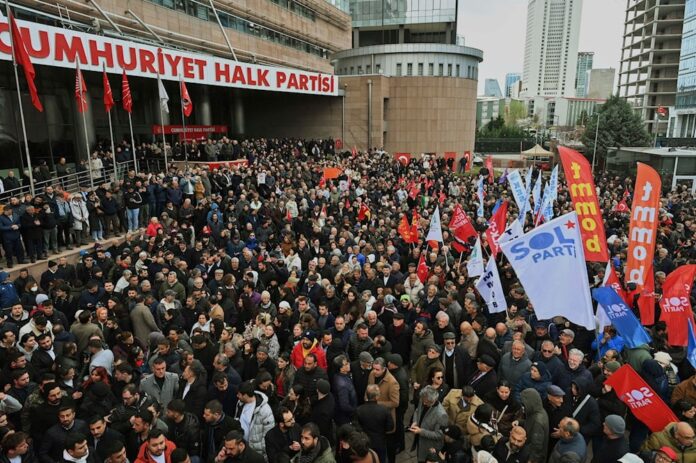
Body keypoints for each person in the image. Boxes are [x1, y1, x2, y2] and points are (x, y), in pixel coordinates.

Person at [234, 381, 275, 460]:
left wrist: (262, 450)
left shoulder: (265, 410)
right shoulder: (240, 403)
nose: (237, 396)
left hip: (255, 451)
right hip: (241, 446)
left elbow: (269, 433)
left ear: (245, 395)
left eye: (239, 394)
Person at [409, 385, 449, 463]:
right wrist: (415, 421)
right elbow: (417, 411)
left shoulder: (441, 415)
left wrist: (421, 431)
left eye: (427, 402)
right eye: (423, 400)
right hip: (420, 442)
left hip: (429, 448)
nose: (424, 403)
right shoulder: (424, 399)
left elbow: (439, 435)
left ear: (434, 400)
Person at [355, 384, 393, 463]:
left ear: (366, 395)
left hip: (365, 443)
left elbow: (357, 427)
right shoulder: (384, 410)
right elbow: (390, 427)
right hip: (380, 442)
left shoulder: (359, 410)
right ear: (377, 397)